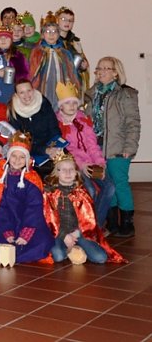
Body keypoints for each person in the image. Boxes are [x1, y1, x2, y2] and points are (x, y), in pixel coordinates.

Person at [85, 56, 140, 237]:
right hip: (97, 149)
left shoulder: (125, 94)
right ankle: (112, 222)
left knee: (120, 184)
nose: (101, 71)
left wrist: (130, 147)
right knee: (106, 185)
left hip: (117, 148)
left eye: (106, 68)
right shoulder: (91, 93)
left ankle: (127, 222)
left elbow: (133, 123)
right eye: (99, 68)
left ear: (116, 73)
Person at [43, 150, 126, 264]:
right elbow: (48, 219)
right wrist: (65, 236)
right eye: (63, 170)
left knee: (101, 258)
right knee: (58, 256)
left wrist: (75, 234)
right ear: (56, 173)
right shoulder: (50, 193)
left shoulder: (81, 193)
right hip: (57, 233)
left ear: (76, 173)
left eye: (71, 170)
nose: (68, 173)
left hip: (78, 233)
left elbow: (89, 220)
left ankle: (76, 246)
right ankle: (69, 248)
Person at [0, 132, 53, 263]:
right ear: (8, 157)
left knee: (42, 243)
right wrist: (7, 231)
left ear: (27, 160)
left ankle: (16, 254)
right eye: (14, 156)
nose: (17, 160)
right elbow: (0, 207)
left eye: (22, 157)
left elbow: (34, 207)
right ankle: (11, 252)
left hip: (30, 224)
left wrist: (25, 234)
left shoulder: (32, 179)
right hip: (8, 223)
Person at [56, 82, 114, 230]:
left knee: (110, 187)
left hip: (93, 163)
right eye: (67, 103)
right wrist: (82, 166)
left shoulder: (84, 120)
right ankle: (85, 225)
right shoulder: (58, 124)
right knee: (91, 191)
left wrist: (99, 162)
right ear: (61, 106)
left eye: (74, 103)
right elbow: (69, 150)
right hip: (76, 166)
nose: (72, 106)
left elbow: (92, 145)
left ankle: (96, 226)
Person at [7, 79, 64, 178]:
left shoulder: (44, 104)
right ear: (16, 95)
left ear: (33, 90)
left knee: (65, 166)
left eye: (29, 91)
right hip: (31, 152)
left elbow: (54, 130)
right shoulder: (13, 113)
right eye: (22, 92)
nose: (26, 95)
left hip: (52, 147)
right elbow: (22, 142)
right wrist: (45, 150)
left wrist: (55, 147)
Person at [29, 11, 80, 110]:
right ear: (43, 34)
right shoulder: (37, 52)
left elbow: (72, 73)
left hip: (61, 90)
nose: (51, 35)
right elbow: (32, 73)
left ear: (58, 34)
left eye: (54, 32)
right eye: (48, 31)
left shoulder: (65, 53)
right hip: (42, 89)